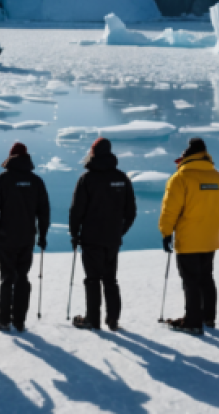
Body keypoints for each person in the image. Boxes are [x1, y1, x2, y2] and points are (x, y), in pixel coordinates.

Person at [158, 138, 219, 336]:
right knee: (206, 277)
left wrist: (166, 232)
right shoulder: (218, 177)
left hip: (188, 238)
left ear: (187, 155)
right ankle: (208, 317)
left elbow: (170, 210)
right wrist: (217, 223)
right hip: (209, 237)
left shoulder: (181, 177)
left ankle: (192, 321)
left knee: (190, 280)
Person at [68, 137, 137, 331]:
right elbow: (130, 212)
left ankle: (92, 319)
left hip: (91, 238)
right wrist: (119, 231)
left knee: (92, 279)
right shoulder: (121, 178)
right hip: (112, 239)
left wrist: (75, 234)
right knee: (110, 279)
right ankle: (113, 319)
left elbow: (76, 210)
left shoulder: (87, 178)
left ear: (93, 153)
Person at [0, 142, 51, 332]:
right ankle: (19, 320)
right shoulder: (36, 181)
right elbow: (44, 211)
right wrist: (42, 235)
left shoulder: (2, 180)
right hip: (27, 237)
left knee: (7, 277)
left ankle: (4, 318)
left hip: (6, 237)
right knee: (22, 276)